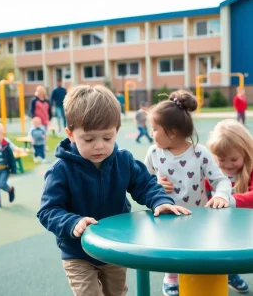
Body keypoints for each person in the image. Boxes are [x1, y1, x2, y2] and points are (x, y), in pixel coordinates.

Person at [37, 85, 191, 296]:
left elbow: (145, 184)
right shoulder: (61, 170)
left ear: (116, 131)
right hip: (77, 253)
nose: (99, 146)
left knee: (117, 293)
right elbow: (48, 210)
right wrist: (72, 222)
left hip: (115, 247)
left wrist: (160, 201)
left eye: (107, 138)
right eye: (89, 139)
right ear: (71, 134)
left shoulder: (123, 160)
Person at [144, 90, 231, 296]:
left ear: (172, 132)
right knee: (170, 247)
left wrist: (221, 195)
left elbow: (221, 180)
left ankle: (218, 272)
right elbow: (142, 181)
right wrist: (155, 183)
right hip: (165, 215)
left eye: (155, 129)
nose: (151, 133)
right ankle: (171, 276)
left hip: (196, 215)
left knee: (198, 247)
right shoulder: (154, 153)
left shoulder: (199, 152)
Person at [206, 119, 253, 293]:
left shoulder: (250, 171)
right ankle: (224, 272)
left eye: (234, 159)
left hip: (244, 225)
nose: (227, 165)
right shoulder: (212, 173)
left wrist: (229, 199)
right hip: (218, 224)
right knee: (217, 247)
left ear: (246, 152)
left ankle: (231, 272)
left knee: (235, 250)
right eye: (221, 159)